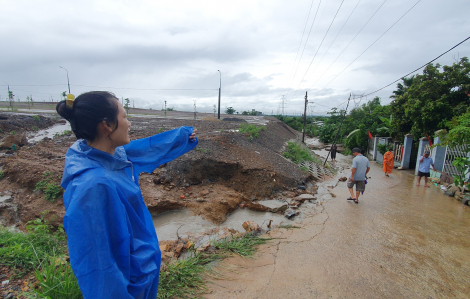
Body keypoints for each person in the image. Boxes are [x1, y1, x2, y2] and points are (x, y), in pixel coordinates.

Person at [56, 91, 198, 298]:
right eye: (124, 117)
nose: (129, 123)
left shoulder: (109, 154)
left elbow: (147, 148)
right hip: (130, 285)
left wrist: (182, 137)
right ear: (107, 125)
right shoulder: (93, 187)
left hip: (142, 270)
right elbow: (98, 268)